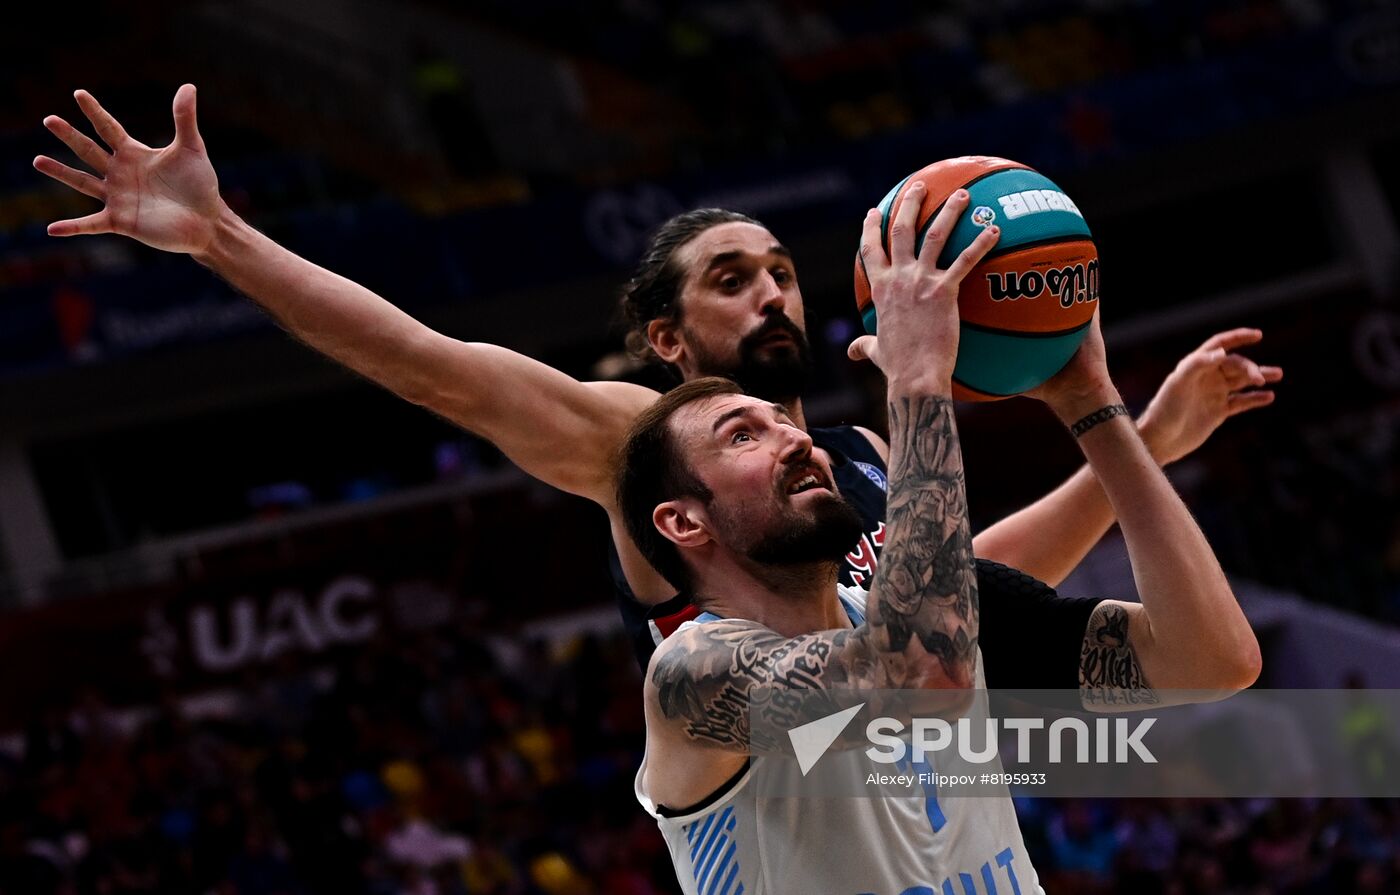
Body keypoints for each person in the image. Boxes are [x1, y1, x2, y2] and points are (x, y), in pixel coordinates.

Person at [35, 86, 1279, 696]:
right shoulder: (647, 445)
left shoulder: (838, 466)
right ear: (665, 339)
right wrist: (222, 241)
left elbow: (972, 585)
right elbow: (431, 364)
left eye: (782, 272)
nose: (771, 295)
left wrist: (1135, 442)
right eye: (729, 280)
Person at [618, 198, 1260, 893]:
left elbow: (1211, 659)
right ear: (684, 522)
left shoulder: (939, 612)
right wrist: (918, 377)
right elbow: (922, 676)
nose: (797, 438)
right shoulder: (695, 673)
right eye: (743, 435)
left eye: (783, 423)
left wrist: (1093, 405)